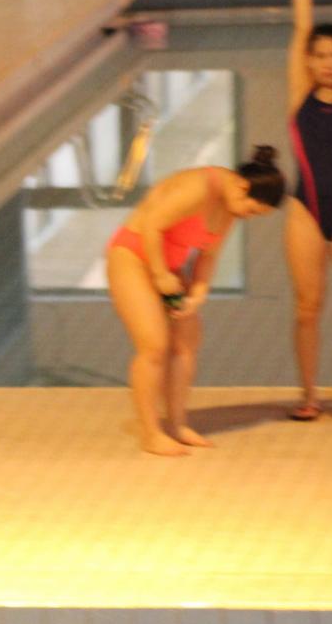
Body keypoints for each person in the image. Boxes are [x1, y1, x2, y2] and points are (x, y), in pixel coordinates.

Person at [107, 150, 285, 456]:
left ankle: (177, 425)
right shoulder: (200, 187)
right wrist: (160, 274)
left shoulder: (230, 207)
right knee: (154, 345)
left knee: (187, 342)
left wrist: (199, 293)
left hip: (170, 267)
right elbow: (151, 225)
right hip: (133, 257)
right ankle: (151, 433)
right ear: (243, 188)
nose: (249, 216)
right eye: (253, 210)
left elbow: (209, 254)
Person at [287, 0, 332, 420]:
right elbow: (300, 27)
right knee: (308, 306)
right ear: (309, 62)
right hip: (304, 212)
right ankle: (309, 396)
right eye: (320, 55)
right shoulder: (298, 95)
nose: (329, 62)